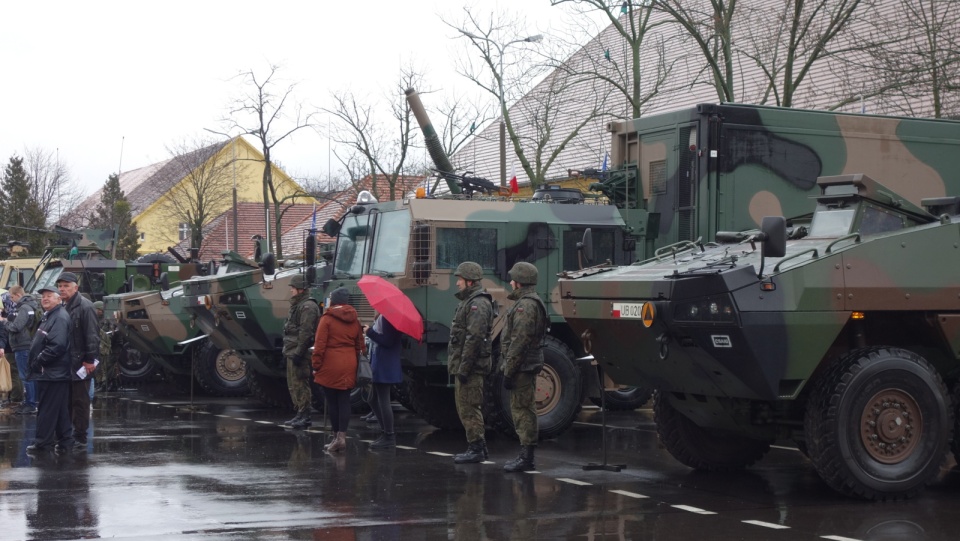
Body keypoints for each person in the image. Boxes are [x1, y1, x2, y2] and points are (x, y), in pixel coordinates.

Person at [500, 262, 548, 472]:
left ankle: (526, 457)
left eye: (513, 279)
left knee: (523, 410)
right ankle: (525, 455)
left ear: (520, 282)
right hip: (523, 364)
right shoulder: (525, 303)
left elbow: (519, 341)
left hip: (522, 366)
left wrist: (509, 370)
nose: (510, 282)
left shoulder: (526, 306)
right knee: (522, 409)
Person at [448, 261, 495, 464]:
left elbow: (474, 338)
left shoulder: (478, 304)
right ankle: (478, 446)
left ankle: (476, 447)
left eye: (459, 280)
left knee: (470, 406)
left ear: (469, 281)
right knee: (465, 405)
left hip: (472, 367)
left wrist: (464, 367)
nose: (457, 284)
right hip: (466, 365)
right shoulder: (469, 302)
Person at [312, 286, 365, 453]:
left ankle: (336, 437)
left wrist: (315, 365)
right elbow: (361, 346)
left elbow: (319, 346)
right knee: (344, 400)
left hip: (330, 363)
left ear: (333, 300)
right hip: (349, 362)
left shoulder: (326, 319)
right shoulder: (355, 320)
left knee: (332, 401)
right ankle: (342, 436)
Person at [25, 287, 74, 455]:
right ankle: (66, 440)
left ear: (58, 299)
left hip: (53, 372)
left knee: (46, 409)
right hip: (52, 373)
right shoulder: (50, 316)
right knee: (58, 408)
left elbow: (58, 345)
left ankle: (42, 443)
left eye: (49, 296)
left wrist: (39, 360)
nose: (44, 299)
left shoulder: (59, 317)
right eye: (43, 296)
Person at [57, 272, 100, 453]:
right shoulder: (63, 307)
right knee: (67, 402)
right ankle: (69, 435)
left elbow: (92, 335)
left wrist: (89, 360)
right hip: (66, 363)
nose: (62, 289)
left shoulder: (85, 306)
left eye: (66, 286)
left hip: (81, 363)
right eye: (60, 286)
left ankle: (80, 438)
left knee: (80, 403)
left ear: (76, 287)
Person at [281, 273, 320, 430]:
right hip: (291, 349)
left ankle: (305, 415)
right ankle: (300, 412)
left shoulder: (308, 307)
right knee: (293, 384)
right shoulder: (297, 305)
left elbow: (306, 332)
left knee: (300, 382)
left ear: (300, 289)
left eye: (293, 288)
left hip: (299, 351)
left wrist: (299, 352)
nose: (291, 291)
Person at [363, 313, 402, 449]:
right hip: (380, 362)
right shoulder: (384, 317)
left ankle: (389, 435)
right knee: (372, 399)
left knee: (383, 400)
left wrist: (370, 332)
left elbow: (387, 341)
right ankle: (385, 432)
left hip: (384, 364)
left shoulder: (388, 318)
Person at [3, 285, 40, 415]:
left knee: (25, 375)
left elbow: (16, 327)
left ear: (18, 295)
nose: (11, 300)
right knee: (31, 375)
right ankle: (34, 401)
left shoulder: (24, 308)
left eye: (12, 297)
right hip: (28, 344)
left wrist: (4, 322)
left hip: (22, 345)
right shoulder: (32, 306)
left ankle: (30, 404)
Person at [93, 300, 118, 392]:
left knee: (108, 366)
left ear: (101, 310)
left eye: (95, 309)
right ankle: (102, 384)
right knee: (101, 366)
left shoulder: (109, 319)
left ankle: (109, 384)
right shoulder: (97, 319)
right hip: (102, 347)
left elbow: (111, 334)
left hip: (112, 347)